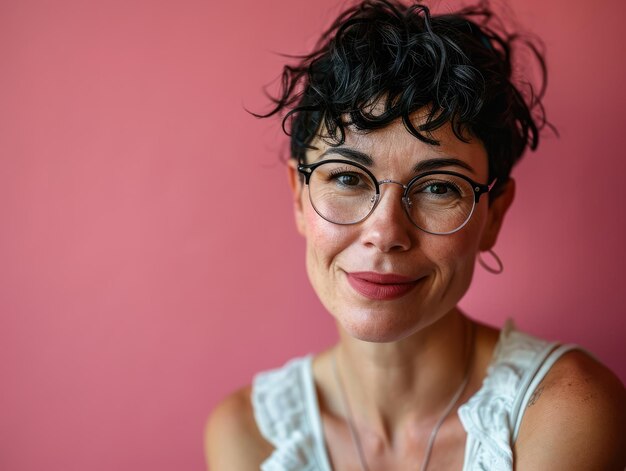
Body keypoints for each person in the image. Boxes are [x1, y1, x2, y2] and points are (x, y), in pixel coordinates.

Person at [205, 1, 626, 469]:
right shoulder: (250, 434)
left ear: (493, 215)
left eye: (440, 187)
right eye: (347, 178)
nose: (386, 233)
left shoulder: (564, 411)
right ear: (299, 196)